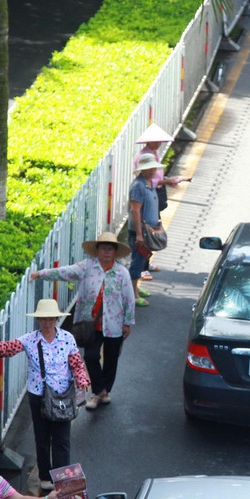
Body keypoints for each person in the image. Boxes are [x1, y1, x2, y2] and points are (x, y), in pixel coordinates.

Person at [0, 299, 91, 488]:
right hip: (38, 396)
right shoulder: (30, 339)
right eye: (43, 319)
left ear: (56, 319)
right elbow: (9, 347)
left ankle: (63, 482)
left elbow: (76, 363)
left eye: (50, 319)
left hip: (63, 395)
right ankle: (45, 477)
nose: (47, 323)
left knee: (62, 439)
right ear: (38, 320)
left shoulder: (67, 338)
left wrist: (82, 379)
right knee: (43, 437)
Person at [30, 231, 135, 411]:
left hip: (114, 324)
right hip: (90, 324)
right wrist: (40, 274)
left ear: (115, 252)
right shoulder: (87, 267)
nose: (107, 252)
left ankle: (105, 390)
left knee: (111, 359)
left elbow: (129, 299)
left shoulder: (121, 273)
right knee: (91, 356)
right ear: (98, 250)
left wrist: (128, 323)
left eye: (110, 249)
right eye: (103, 248)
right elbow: (66, 272)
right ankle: (99, 391)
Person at [134, 123, 191, 282]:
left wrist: (166, 181)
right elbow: (150, 180)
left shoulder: (154, 154)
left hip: (154, 195)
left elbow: (157, 178)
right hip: (148, 197)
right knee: (146, 233)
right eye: (156, 141)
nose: (159, 143)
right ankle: (142, 268)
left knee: (153, 230)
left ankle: (146, 263)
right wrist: (168, 181)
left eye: (160, 141)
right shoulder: (145, 157)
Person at [128, 152, 165, 306]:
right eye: (148, 168)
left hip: (148, 230)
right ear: (142, 170)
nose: (152, 171)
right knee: (137, 262)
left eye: (153, 168)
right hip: (140, 232)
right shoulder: (138, 186)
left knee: (142, 260)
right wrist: (138, 234)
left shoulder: (150, 184)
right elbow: (135, 210)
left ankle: (134, 289)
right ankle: (133, 294)